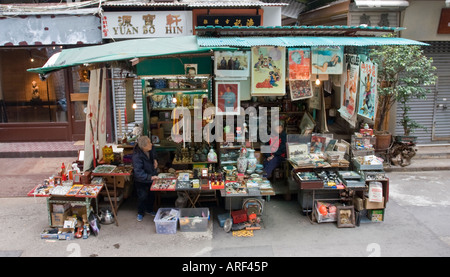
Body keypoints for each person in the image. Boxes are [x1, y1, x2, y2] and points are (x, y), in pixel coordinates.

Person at [132, 136, 158, 222]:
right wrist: (149, 177)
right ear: (143, 147)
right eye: (149, 143)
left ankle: (149, 209)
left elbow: (153, 150)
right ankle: (140, 212)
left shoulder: (150, 148)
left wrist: (154, 159)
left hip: (151, 173)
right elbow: (138, 172)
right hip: (141, 179)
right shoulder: (137, 156)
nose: (151, 144)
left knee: (151, 194)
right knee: (142, 196)